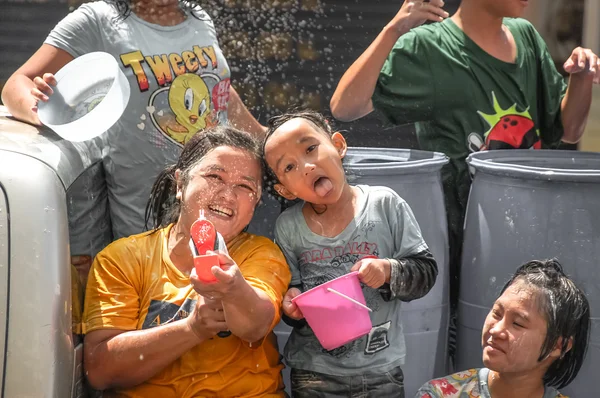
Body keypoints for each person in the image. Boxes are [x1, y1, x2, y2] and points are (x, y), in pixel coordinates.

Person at [329, 0, 600, 355]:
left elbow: (567, 129)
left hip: (533, 233)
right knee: (471, 350)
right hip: (468, 248)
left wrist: (581, 78)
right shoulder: (430, 46)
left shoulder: (527, 37)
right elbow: (345, 106)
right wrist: (394, 29)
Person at [1, 0, 266, 276]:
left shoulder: (197, 16)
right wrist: (47, 113)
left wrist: (267, 141)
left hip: (221, 206)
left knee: (226, 297)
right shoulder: (99, 20)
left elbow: (216, 89)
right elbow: (18, 83)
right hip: (146, 219)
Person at [82, 126, 291, 397]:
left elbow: (255, 326)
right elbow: (100, 372)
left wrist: (234, 289)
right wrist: (193, 328)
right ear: (180, 184)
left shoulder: (261, 253)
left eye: (244, 186)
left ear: (255, 203)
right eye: (215, 176)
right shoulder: (122, 258)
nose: (228, 195)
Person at [262, 110, 438, 397]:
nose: (307, 166)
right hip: (313, 373)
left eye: (310, 148)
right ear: (286, 190)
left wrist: (387, 271)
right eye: (290, 167)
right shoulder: (288, 227)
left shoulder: (385, 204)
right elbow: (293, 292)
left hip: (380, 369)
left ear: (339, 145)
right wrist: (292, 307)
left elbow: (426, 272)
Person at [415, 258, 590, 398]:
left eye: (518, 323)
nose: (496, 330)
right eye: (497, 313)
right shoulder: (438, 394)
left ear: (558, 346)